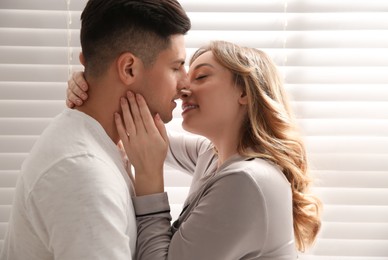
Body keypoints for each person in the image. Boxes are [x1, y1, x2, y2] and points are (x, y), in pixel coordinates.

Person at [67, 40, 322, 259]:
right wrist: (95, 85)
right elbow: (144, 133)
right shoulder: (212, 156)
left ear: (244, 92)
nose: (183, 90)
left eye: (200, 77)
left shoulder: (246, 182)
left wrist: (150, 178)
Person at [0, 0, 190, 259]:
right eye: (176, 67)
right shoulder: (84, 175)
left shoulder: (104, 144)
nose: (186, 83)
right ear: (128, 68)